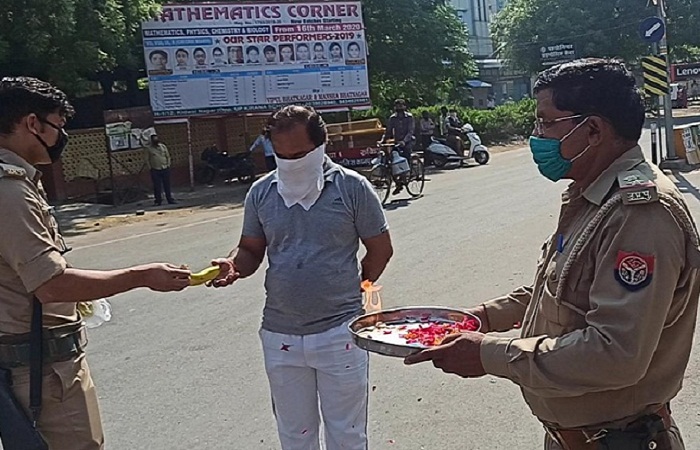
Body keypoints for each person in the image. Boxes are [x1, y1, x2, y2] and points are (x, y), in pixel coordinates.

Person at [405, 58, 700, 450]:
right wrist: (484, 317)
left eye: (545, 123)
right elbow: (563, 285)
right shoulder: (595, 195)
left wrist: (488, 356)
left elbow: (615, 354)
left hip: (620, 440)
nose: (536, 136)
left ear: (593, 129)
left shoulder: (641, 213)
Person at [0, 76, 191, 450]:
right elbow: (51, 284)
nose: (61, 137)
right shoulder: (9, 190)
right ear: (33, 124)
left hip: (33, 361)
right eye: (58, 126)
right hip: (42, 371)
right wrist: (142, 276)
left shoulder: (17, 182)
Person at [210, 105, 393, 450]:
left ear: (322, 147)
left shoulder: (352, 189)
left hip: (340, 333)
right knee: (295, 436)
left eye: (299, 155)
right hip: (281, 337)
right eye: (281, 156)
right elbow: (250, 250)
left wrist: (356, 289)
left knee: (347, 434)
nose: (291, 163)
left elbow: (381, 249)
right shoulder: (262, 193)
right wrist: (234, 265)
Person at [381, 99, 415, 195]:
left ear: (404, 107)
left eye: (401, 106)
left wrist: (404, 141)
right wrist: (382, 141)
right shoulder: (392, 118)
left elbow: (410, 131)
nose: (399, 108)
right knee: (392, 160)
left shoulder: (409, 117)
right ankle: (398, 182)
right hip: (396, 142)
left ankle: (407, 174)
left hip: (407, 141)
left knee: (405, 156)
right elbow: (388, 131)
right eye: (397, 106)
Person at [145, 134, 176, 206]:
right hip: (155, 169)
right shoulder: (149, 149)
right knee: (157, 186)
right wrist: (150, 168)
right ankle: (158, 201)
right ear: (152, 141)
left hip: (165, 168)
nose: (156, 140)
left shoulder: (163, 146)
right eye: (154, 139)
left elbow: (168, 156)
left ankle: (169, 199)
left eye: (156, 139)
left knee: (167, 185)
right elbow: (147, 160)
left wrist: (168, 165)